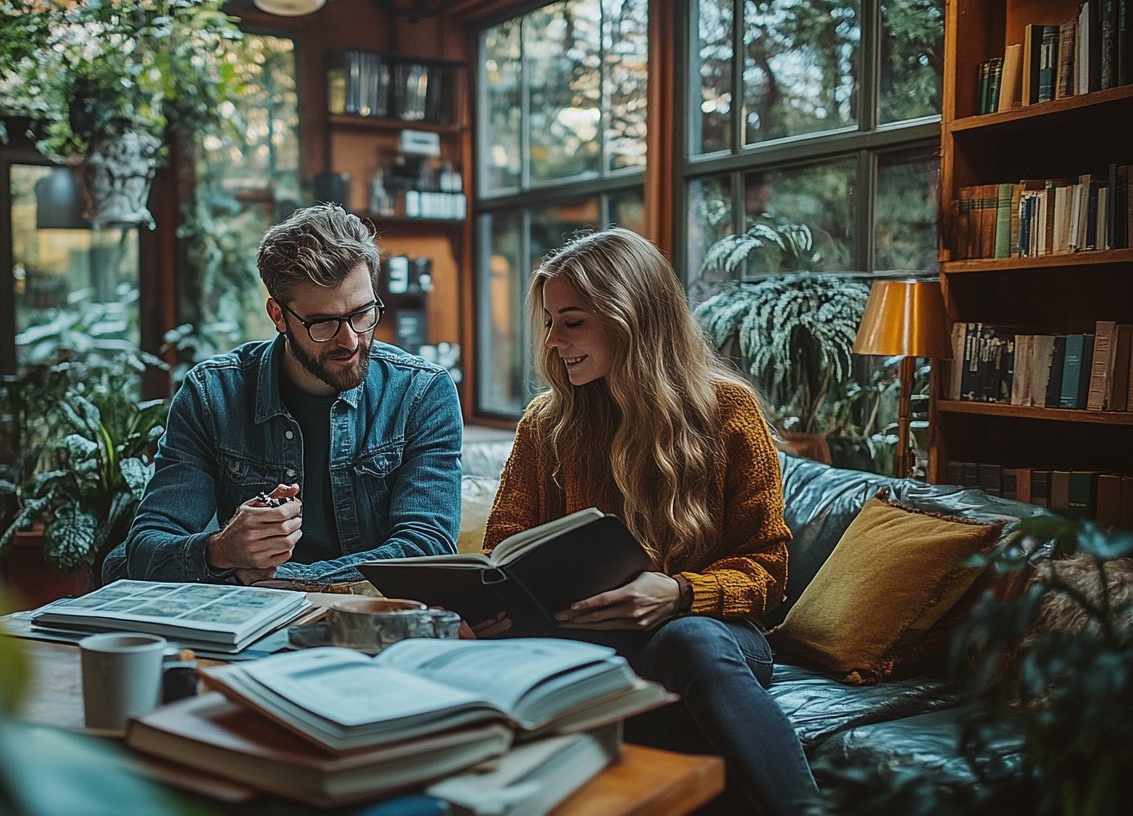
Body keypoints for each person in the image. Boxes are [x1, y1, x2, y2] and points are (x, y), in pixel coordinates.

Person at [478, 228, 818, 816]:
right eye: (551, 321)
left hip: (710, 637)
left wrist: (681, 592)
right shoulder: (546, 423)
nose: (554, 340)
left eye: (573, 320)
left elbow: (769, 567)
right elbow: (504, 548)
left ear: (629, 317)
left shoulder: (726, 411)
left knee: (687, 639)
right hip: (589, 638)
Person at [102, 203, 463, 586]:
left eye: (362, 313)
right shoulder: (212, 394)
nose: (351, 340)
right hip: (247, 625)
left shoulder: (421, 392)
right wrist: (222, 550)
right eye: (323, 323)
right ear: (278, 316)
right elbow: (144, 549)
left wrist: (284, 579)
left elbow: (426, 546)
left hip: (367, 618)